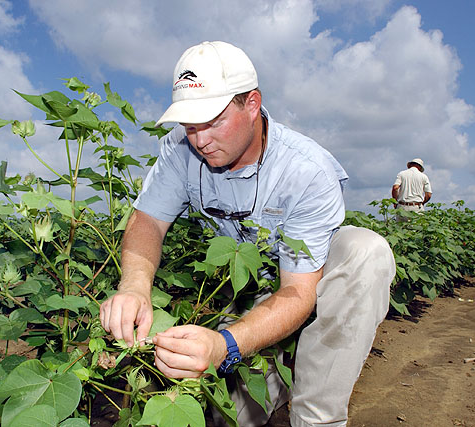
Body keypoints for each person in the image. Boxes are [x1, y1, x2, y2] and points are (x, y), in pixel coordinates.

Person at [100, 41, 396, 427]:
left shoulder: (306, 170)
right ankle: (282, 366)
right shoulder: (180, 151)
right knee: (225, 420)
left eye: (212, 121)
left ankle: (316, 414)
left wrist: (225, 346)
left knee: (364, 252)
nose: (200, 139)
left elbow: (298, 292)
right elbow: (148, 222)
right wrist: (135, 287)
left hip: (311, 283)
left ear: (252, 104)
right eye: (190, 126)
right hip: (247, 293)